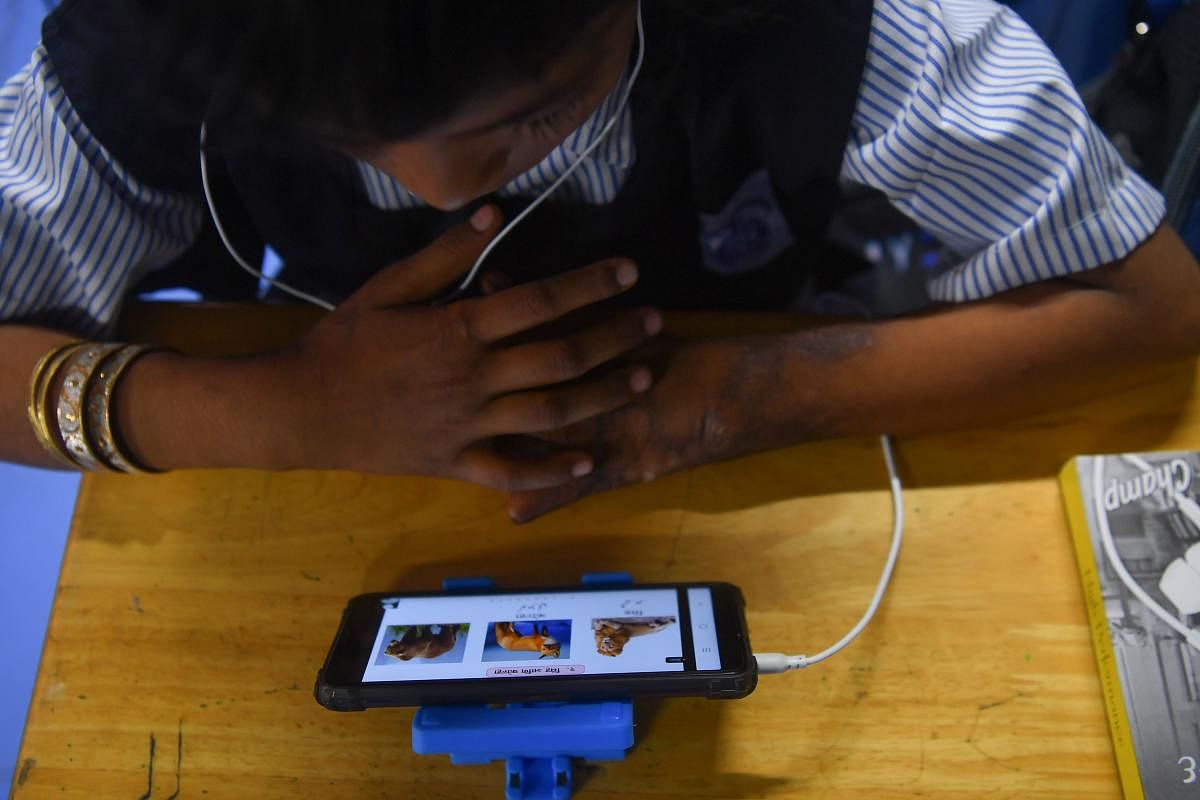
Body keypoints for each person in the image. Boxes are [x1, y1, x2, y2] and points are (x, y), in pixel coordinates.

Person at [1, 0, 1198, 522]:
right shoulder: (150, 41)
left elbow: (1150, 303)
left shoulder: (844, 29)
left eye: (529, 115)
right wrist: (290, 410)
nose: (443, 186)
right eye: (347, 134)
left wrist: (733, 399)